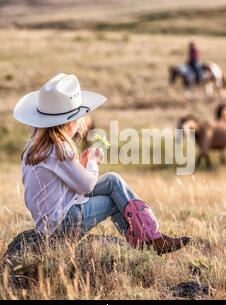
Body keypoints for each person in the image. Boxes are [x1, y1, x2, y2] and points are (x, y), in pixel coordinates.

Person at [13, 73, 191, 255]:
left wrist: (80, 166)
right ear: (71, 123)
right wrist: (92, 162)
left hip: (49, 221)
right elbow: (86, 186)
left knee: (112, 180)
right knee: (113, 201)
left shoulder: (34, 146)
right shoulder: (60, 148)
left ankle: (151, 237)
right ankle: (146, 245)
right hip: (63, 222)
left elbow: (61, 185)